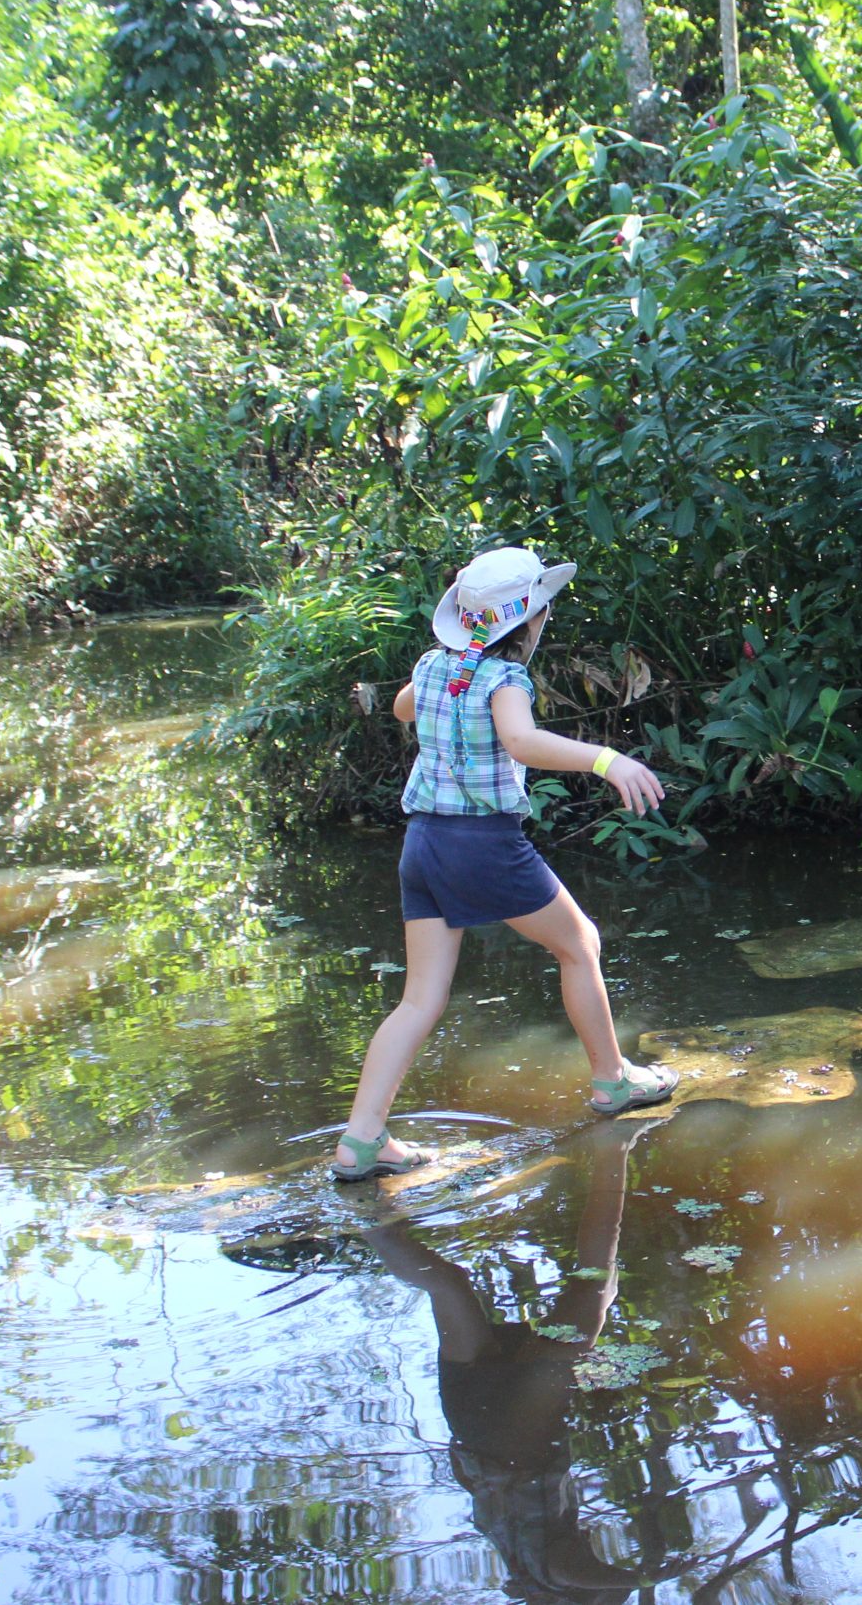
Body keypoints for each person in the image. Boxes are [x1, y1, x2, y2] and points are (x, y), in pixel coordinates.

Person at [334, 545, 680, 1183]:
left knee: (419, 1000)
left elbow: (403, 708)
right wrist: (607, 760)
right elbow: (521, 741)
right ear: (530, 621)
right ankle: (613, 1081)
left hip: (423, 845)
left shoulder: (437, 665)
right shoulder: (506, 679)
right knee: (580, 945)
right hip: (483, 845)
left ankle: (362, 1141)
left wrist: (445, 684)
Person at [363, 1120, 687, 1602]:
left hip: (522, 1427)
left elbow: (574, 1574)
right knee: (448, 1285)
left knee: (596, 1283)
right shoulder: (511, 1554)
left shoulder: (548, 1572)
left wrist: (642, 1580)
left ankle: (615, 1147)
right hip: (471, 1426)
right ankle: (369, 1217)